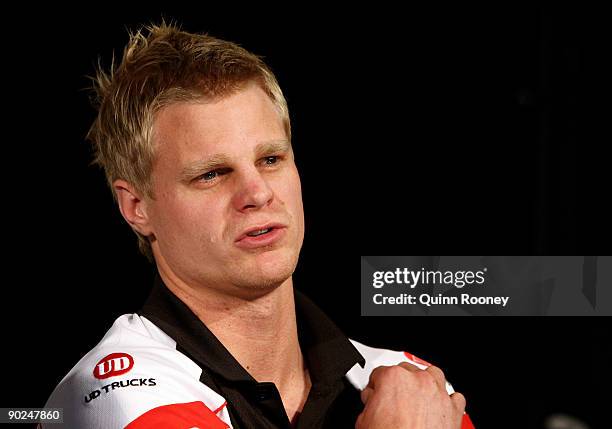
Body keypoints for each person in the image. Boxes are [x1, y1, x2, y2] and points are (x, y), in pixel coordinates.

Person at [42, 22, 473, 429]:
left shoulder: (414, 387)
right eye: (211, 173)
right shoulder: (115, 395)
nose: (258, 193)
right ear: (137, 206)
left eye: (271, 159)